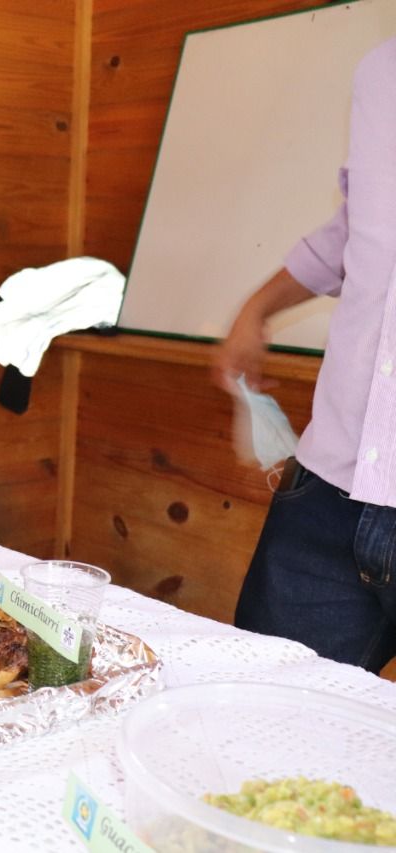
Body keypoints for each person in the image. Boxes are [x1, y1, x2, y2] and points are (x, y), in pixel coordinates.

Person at [213, 36, 396, 674]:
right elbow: (360, 228)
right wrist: (258, 308)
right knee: (253, 717)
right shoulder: (380, 70)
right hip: (326, 495)